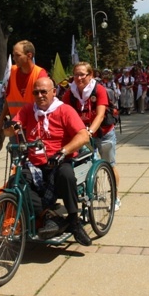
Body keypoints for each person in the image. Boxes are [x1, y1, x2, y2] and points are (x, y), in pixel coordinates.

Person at [5, 77, 92, 246]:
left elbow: (83, 135)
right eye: (36, 92)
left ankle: (73, 221)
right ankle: (49, 216)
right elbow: (10, 131)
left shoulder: (65, 110)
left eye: (44, 91)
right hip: (34, 163)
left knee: (66, 175)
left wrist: (63, 151)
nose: (40, 95)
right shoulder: (28, 110)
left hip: (58, 160)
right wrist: (9, 127)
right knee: (13, 183)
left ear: (54, 92)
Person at [63, 62, 121, 211]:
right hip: (84, 135)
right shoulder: (70, 94)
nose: (79, 77)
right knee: (84, 164)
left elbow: (100, 115)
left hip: (104, 133)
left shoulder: (99, 90)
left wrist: (89, 132)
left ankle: (115, 197)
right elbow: (64, 114)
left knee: (109, 163)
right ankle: (89, 192)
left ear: (90, 75)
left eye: (82, 74)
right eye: (76, 74)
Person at [0, 40, 48, 130]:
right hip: (15, 125)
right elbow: (9, 98)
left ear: (29, 55)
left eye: (17, 55)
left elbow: (47, 101)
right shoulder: (13, 71)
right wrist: (1, 119)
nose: (14, 58)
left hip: (35, 125)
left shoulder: (40, 74)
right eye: (14, 55)